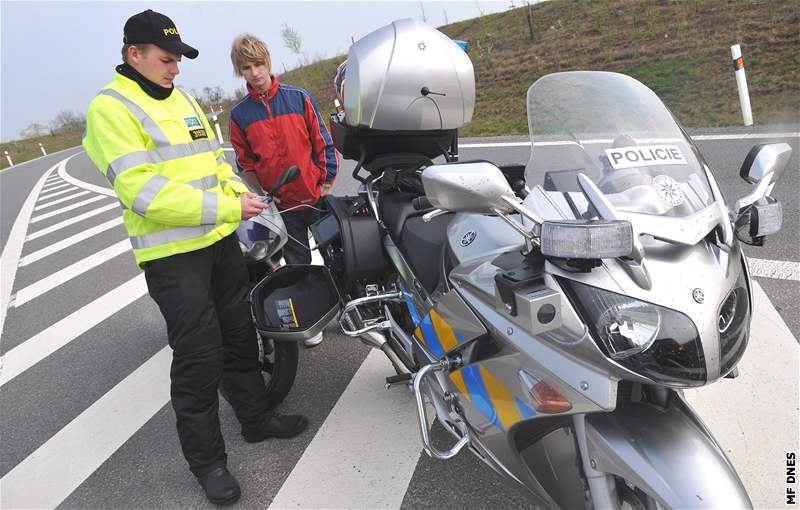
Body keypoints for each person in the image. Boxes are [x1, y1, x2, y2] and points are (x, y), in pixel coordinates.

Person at [81, 10, 307, 506]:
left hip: (219, 243)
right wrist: (228, 205)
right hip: (172, 256)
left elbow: (213, 166)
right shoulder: (111, 108)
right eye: (166, 60)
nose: (175, 69)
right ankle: (209, 463)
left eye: (179, 60)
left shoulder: (182, 100)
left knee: (239, 336)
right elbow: (143, 192)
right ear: (133, 54)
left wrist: (241, 196)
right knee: (199, 358)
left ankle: (256, 420)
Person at [228, 34, 338, 348]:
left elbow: (323, 141)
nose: (255, 73)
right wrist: (263, 192)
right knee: (299, 262)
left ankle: (345, 307)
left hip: (315, 195)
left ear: (268, 62)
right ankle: (310, 316)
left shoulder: (298, 97)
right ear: (240, 71)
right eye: (246, 67)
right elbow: (245, 162)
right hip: (282, 204)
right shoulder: (240, 116)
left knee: (335, 255)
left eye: (259, 64)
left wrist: (326, 181)